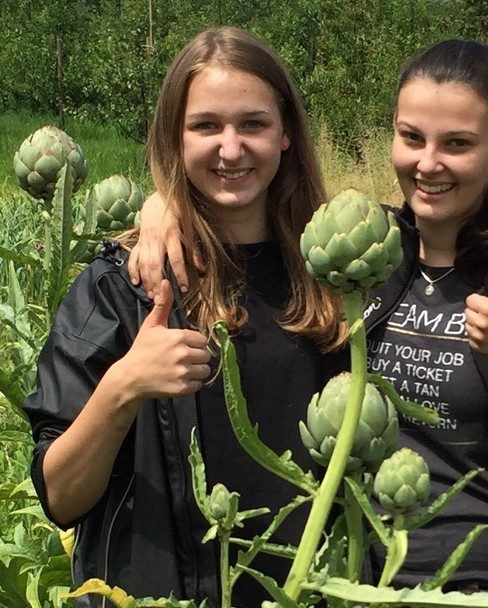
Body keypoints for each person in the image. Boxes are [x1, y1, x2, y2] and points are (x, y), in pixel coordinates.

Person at [132, 39, 488, 607]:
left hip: (487, 584)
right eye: (412, 138)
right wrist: (163, 206)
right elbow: (248, 202)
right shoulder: (367, 254)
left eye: (457, 143)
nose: (428, 163)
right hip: (350, 577)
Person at [22, 27, 346, 606]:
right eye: (205, 126)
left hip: (314, 590)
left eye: (253, 124)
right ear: (175, 136)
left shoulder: (338, 274)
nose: (230, 148)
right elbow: (60, 496)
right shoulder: (119, 287)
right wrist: (124, 386)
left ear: (287, 134)